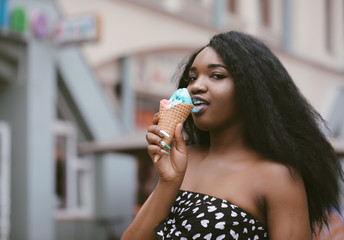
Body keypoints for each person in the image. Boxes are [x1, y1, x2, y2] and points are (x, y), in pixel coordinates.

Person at [121, 31, 343, 240]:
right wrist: (168, 182)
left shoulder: (278, 177)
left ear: (252, 89)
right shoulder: (183, 159)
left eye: (216, 75)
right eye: (192, 77)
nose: (196, 86)